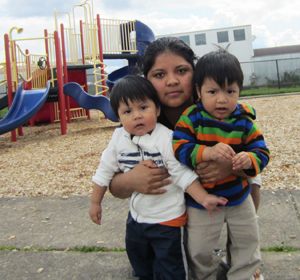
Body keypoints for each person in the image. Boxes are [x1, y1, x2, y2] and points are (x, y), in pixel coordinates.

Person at [109, 37, 263, 279]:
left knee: (251, 191)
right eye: (159, 75)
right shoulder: (138, 123)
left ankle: (242, 262)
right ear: (146, 81)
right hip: (163, 219)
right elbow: (113, 183)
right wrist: (132, 180)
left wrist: (233, 169)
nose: (172, 81)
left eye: (182, 71)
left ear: (197, 75)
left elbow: (256, 164)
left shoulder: (218, 111)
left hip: (218, 202)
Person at [89, 74, 227, 280]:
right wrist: (95, 202)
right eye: (127, 111)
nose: (136, 115)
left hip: (168, 220)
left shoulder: (166, 138)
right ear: (118, 116)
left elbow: (181, 173)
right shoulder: (118, 139)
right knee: (139, 261)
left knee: (171, 267)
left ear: (157, 109)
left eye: (143, 108)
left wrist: (203, 198)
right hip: (136, 219)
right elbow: (104, 170)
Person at [172, 49, 270, 279]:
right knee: (199, 248)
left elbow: (262, 151)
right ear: (198, 91)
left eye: (230, 91)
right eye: (213, 91)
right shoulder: (192, 118)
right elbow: (179, 147)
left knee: (247, 241)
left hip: (238, 195)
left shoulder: (244, 121)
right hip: (202, 203)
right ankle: (204, 275)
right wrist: (206, 152)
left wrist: (250, 159)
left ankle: (243, 275)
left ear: (239, 91)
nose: (222, 99)